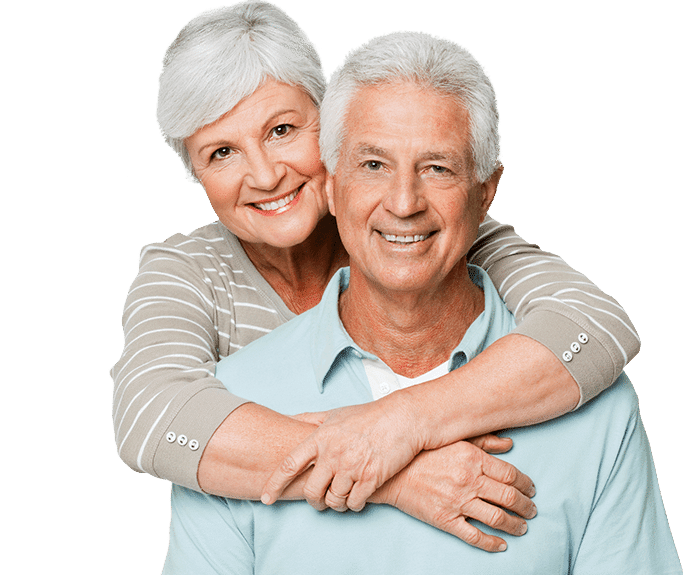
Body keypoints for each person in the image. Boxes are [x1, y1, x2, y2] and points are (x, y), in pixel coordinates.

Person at [110, 0, 641, 550]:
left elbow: (595, 329)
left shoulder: (440, 233)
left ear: (331, 123)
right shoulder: (188, 273)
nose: (265, 175)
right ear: (195, 174)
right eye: (221, 153)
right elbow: (153, 418)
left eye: (282, 130)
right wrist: (394, 475)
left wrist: (404, 423)